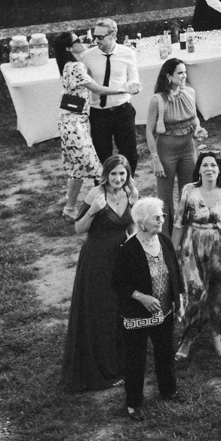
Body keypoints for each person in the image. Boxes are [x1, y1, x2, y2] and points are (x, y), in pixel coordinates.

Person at [61, 155, 134, 393]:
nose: (118, 178)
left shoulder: (132, 193)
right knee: (100, 309)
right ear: (106, 175)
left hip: (122, 256)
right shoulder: (96, 194)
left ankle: (118, 363)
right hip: (97, 259)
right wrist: (93, 211)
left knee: (119, 307)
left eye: (122, 174)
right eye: (113, 173)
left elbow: (132, 226)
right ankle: (98, 367)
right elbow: (78, 228)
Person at [111, 196, 184, 420]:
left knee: (165, 351)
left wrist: (178, 300)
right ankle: (133, 403)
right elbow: (117, 283)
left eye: (162, 216)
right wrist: (142, 297)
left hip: (164, 310)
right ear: (142, 222)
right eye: (156, 217)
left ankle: (168, 391)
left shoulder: (163, 240)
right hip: (137, 314)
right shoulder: (128, 249)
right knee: (135, 357)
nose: (162, 220)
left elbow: (174, 271)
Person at [175, 149, 221, 361]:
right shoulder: (189, 190)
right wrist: (172, 251)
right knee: (194, 291)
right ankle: (187, 338)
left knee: (218, 290)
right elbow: (179, 222)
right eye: (205, 165)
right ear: (199, 169)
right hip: (193, 244)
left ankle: (216, 335)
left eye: (213, 165)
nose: (209, 169)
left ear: (220, 169)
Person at [145, 57, 207, 222]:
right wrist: (155, 159)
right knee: (164, 198)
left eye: (185, 72)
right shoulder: (157, 100)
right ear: (169, 76)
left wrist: (198, 129)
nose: (184, 76)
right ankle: (166, 236)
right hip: (166, 151)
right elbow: (149, 131)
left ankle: (186, 232)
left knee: (189, 192)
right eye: (180, 73)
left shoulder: (190, 92)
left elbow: (194, 119)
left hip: (188, 149)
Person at [81, 20, 141, 175]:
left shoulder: (127, 53)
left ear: (113, 35)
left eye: (100, 37)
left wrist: (133, 84)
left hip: (122, 110)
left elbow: (133, 77)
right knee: (101, 154)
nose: (96, 41)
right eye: (95, 37)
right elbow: (84, 84)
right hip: (98, 113)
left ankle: (127, 185)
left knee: (129, 153)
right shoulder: (87, 56)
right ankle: (104, 190)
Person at [55, 30, 103, 219]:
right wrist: (123, 90)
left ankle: (70, 207)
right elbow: (97, 89)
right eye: (78, 40)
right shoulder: (75, 67)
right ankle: (100, 207)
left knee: (78, 168)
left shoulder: (67, 65)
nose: (83, 40)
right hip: (75, 125)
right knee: (93, 167)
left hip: (72, 122)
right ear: (69, 48)